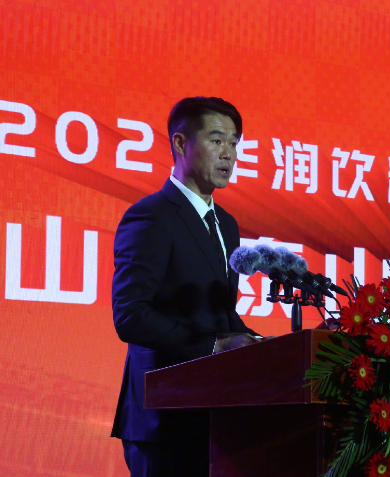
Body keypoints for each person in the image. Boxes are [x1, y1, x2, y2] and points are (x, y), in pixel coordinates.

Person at [111, 96, 258, 476]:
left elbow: (222, 315)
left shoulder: (227, 223)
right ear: (180, 143)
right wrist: (215, 346)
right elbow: (131, 316)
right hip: (162, 419)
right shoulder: (150, 216)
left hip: (213, 417)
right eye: (216, 140)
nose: (228, 154)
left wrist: (260, 344)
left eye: (234, 143)